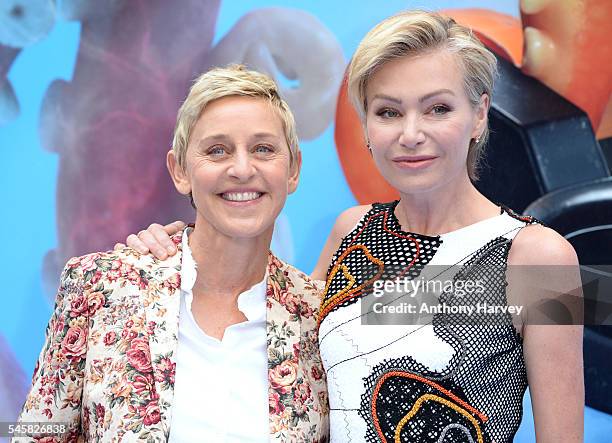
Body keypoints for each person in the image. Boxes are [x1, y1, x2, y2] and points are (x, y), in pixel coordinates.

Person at [126, 10, 584, 443]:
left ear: (479, 114)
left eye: (437, 109)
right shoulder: (352, 230)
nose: (410, 134)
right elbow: (275, 349)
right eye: (388, 112)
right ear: (365, 124)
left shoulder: (541, 259)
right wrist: (184, 247)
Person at [16, 65, 329, 442]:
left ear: (293, 169)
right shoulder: (99, 287)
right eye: (217, 150)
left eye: (263, 149)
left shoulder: (320, 316)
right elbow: (37, 432)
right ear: (180, 170)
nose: (242, 168)